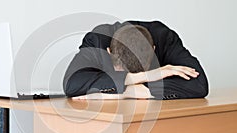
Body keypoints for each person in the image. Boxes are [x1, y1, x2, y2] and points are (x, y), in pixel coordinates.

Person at [63, 20, 209, 100]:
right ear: (109, 52)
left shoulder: (164, 38)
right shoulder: (97, 40)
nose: (136, 80)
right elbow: (72, 84)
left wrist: (129, 93)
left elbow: (199, 85)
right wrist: (146, 76)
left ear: (153, 49)